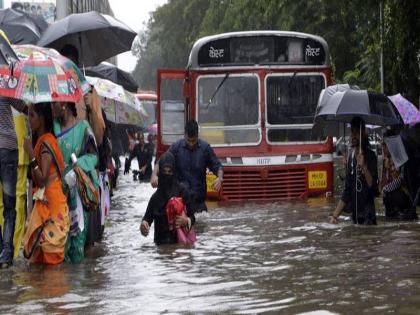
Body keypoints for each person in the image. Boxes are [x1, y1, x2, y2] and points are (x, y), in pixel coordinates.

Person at [22, 103, 70, 265]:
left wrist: (30, 154)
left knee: (51, 271)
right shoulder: (43, 141)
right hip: (46, 207)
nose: (29, 120)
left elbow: (41, 179)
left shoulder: (46, 143)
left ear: (42, 119)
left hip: (52, 210)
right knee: (40, 268)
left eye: (32, 116)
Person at [52, 101, 99, 263]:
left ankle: (78, 285)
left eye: (55, 104)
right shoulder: (53, 127)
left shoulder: (83, 128)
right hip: (56, 193)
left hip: (77, 194)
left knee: (77, 242)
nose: (53, 107)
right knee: (58, 243)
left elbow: (93, 156)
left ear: (63, 104)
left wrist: (76, 168)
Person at [151, 119, 223, 213]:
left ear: (197, 135)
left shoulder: (205, 149)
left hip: (199, 202)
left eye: (194, 141)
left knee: (202, 225)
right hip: (180, 203)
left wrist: (220, 178)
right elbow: (161, 161)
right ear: (185, 135)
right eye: (189, 140)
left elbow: (217, 165)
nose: (191, 143)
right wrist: (154, 175)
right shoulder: (176, 147)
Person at [330, 117, 378, 225]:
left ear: (363, 134)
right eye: (352, 132)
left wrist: (364, 166)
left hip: (368, 217)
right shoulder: (350, 157)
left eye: (357, 132)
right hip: (355, 217)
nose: (353, 136)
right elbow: (347, 191)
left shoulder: (370, 156)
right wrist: (335, 216)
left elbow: (373, 187)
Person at [140, 152, 195, 244]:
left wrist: (186, 221)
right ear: (160, 172)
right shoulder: (155, 198)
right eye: (164, 172)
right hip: (161, 247)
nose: (167, 175)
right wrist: (143, 227)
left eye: (170, 171)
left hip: (179, 247)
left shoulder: (182, 192)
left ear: (174, 171)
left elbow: (192, 217)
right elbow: (146, 220)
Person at [0, 97, 27, 268]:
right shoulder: (5, 85)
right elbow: (24, 107)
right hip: (9, 149)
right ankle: (7, 255)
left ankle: (1, 248)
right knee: (10, 206)